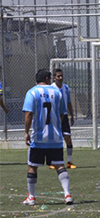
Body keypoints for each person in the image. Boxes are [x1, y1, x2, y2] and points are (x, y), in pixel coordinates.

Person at [22, 69, 73, 206]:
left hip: (38, 138)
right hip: (55, 138)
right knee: (59, 165)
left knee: (32, 166)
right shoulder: (57, 92)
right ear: (47, 78)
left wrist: (26, 132)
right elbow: (62, 114)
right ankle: (67, 194)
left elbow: (28, 114)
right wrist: (57, 127)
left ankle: (31, 197)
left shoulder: (31, 92)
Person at [49, 69, 76, 169]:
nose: (60, 78)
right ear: (54, 78)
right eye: (58, 76)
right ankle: (52, 162)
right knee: (54, 139)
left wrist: (72, 115)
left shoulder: (66, 88)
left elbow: (68, 102)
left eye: (61, 76)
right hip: (54, 117)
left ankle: (69, 161)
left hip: (64, 116)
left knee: (68, 138)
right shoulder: (51, 88)